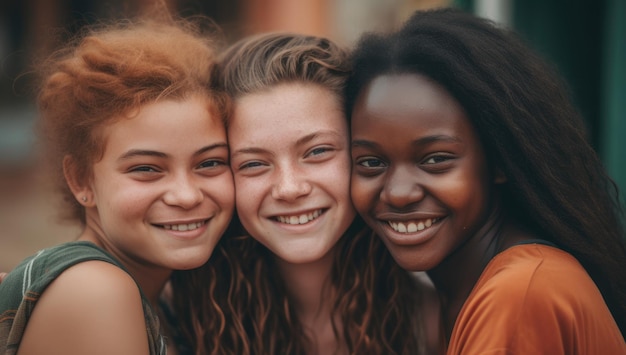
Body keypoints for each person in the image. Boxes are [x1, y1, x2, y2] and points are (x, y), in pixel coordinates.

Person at [345, 7, 626, 354]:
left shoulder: (519, 294)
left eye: (435, 160)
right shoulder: (451, 295)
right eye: (371, 163)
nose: (399, 193)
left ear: (498, 162)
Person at [170, 33, 440, 355]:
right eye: (254, 163)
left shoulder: (432, 315)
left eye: (317, 152)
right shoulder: (178, 317)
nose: (289, 189)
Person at [0, 17, 234, 355]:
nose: (186, 195)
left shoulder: (162, 298)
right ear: (81, 180)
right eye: (146, 169)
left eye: (209, 162)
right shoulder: (96, 290)